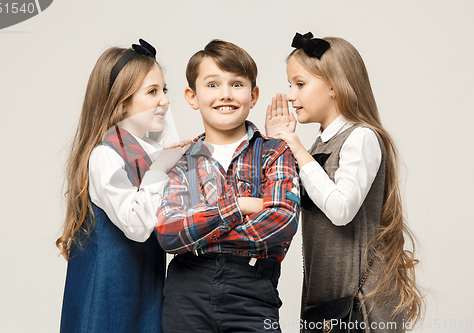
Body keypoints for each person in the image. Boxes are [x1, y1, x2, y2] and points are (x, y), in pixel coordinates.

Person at [265, 32, 423, 332]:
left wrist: (296, 149)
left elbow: (341, 209)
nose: (290, 95)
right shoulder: (314, 149)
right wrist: (278, 147)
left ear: (334, 86)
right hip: (326, 300)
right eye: (290, 85)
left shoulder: (360, 137)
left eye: (300, 84)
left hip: (362, 303)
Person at [155, 40, 300, 333]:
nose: (225, 94)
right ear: (192, 96)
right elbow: (169, 234)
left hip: (252, 293)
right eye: (212, 85)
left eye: (236, 84)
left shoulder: (274, 151)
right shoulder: (179, 160)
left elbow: (281, 221)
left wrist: (199, 231)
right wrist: (240, 207)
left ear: (253, 94)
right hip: (186, 295)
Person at [56, 38, 187, 333]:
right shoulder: (106, 156)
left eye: (164, 90)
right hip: (107, 301)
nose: (164, 100)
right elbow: (137, 224)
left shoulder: (147, 154)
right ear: (122, 101)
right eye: (152, 91)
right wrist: (161, 168)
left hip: (144, 295)